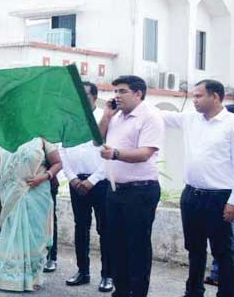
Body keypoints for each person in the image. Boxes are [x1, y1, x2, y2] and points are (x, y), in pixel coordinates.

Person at [159, 79, 234, 297]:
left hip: (219, 197)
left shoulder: (231, 123)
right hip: (191, 195)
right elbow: (160, 116)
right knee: (194, 249)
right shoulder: (191, 119)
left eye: (199, 96)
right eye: (193, 96)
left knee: (223, 252)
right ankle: (193, 292)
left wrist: (232, 202)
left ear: (216, 97)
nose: (194, 100)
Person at [99, 75, 165, 297]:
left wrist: (116, 154)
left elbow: (145, 153)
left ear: (138, 93)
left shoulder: (150, 116)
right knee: (115, 244)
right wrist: (107, 116)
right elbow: (96, 141)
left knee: (137, 246)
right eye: (115, 91)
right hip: (115, 190)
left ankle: (137, 293)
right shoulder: (116, 116)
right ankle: (121, 291)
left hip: (140, 190)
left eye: (122, 91)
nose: (116, 96)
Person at [60, 81, 114, 293]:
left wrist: (92, 179)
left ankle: (108, 275)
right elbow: (62, 151)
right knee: (80, 228)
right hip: (76, 183)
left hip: (99, 182)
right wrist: (72, 178)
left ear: (94, 97)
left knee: (105, 230)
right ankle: (83, 271)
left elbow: (110, 151)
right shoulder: (68, 120)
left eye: (84, 95)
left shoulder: (106, 117)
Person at [0, 137, 62, 292]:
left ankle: (33, 278)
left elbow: (58, 163)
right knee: (12, 235)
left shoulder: (42, 139)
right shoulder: (7, 137)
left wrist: (43, 177)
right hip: (13, 195)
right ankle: (9, 277)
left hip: (36, 193)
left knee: (33, 236)